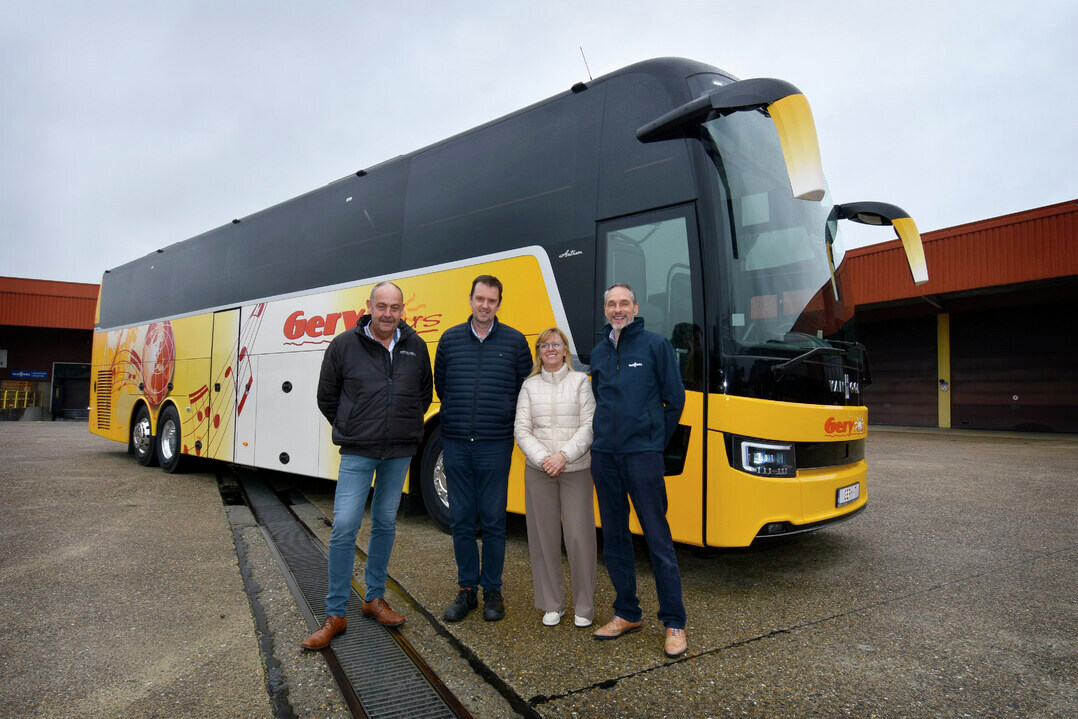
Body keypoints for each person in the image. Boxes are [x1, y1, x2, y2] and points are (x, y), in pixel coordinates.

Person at [302, 281, 433, 650]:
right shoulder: (344, 345)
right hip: (358, 451)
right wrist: (350, 426)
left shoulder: (415, 346)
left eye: (394, 307)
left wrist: (404, 426)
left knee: (386, 522)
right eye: (381, 306)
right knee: (344, 526)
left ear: (402, 310)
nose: (388, 314)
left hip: (398, 453)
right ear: (369, 307)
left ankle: (374, 598)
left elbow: (424, 394)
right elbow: (326, 395)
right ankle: (335, 613)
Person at [588, 282, 688, 658]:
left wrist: (651, 440)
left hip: (642, 456)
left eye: (624, 303)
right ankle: (627, 613)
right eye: (611, 304)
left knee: (658, 539)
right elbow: (597, 401)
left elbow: (674, 400)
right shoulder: (598, 352)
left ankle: (674, 622)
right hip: (605, 458)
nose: (618, 309)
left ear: (635, 307)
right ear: (605, 309)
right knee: (614, 538)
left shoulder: (655, 345)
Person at [434, 274, 532, 622]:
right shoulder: (448, 341)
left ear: (499, 303)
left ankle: (492, 590)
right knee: (461, 520)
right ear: (470, 299)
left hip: (495, 444)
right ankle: (466, 590)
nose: (485, 305)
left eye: (492, 300)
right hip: (458, 444)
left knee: (493, 521)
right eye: (480, 299)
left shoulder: (516, 342)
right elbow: (442, 386)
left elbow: (524, 392)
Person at [514, 327, 597, 628]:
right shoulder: (529, 386)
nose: (550, 349)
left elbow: (588, 427)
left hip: (575, 470)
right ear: (538, 352)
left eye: (556, 344)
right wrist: (543, 459)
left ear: (565, 350)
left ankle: (584, 607)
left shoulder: (580, 383)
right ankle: (552, 604)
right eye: (544, 345)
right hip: (539, 472)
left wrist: (563, 456)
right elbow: (521, 430)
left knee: (579, 537)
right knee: (542, 537)